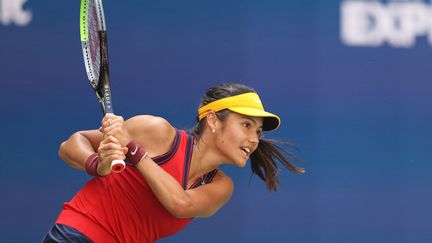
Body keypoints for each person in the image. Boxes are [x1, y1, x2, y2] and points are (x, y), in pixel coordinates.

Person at [42, 83, 304, 243]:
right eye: (246, 125)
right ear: (212, 121)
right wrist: (97, 163)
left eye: (257, 131)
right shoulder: (156, 131)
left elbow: (180, 204)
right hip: (77, 234)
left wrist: (133, 151)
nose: (253, 139)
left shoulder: (220, 186)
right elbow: (69, 145)